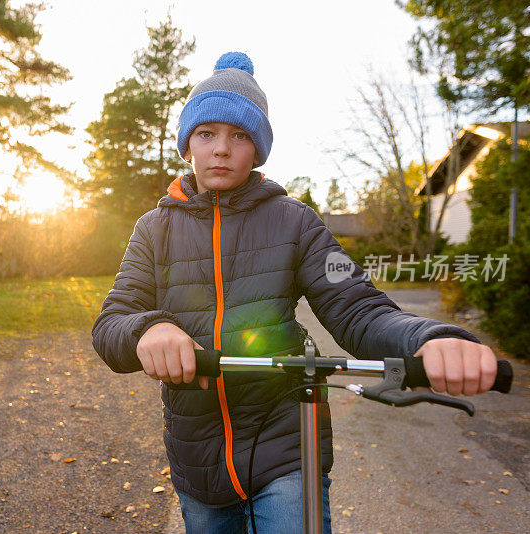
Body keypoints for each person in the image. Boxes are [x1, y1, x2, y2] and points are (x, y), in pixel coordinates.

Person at [91, 51, 498, 533]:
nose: (221, 148)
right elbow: (112, 322)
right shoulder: (153, 229)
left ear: (257, 151)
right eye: (206, 133)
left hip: (286, 442)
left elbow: (359, 309)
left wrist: (428, 339)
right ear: (187, 147)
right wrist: (148, 328)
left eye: (239, 135)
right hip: (196, 454)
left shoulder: (296, 221)